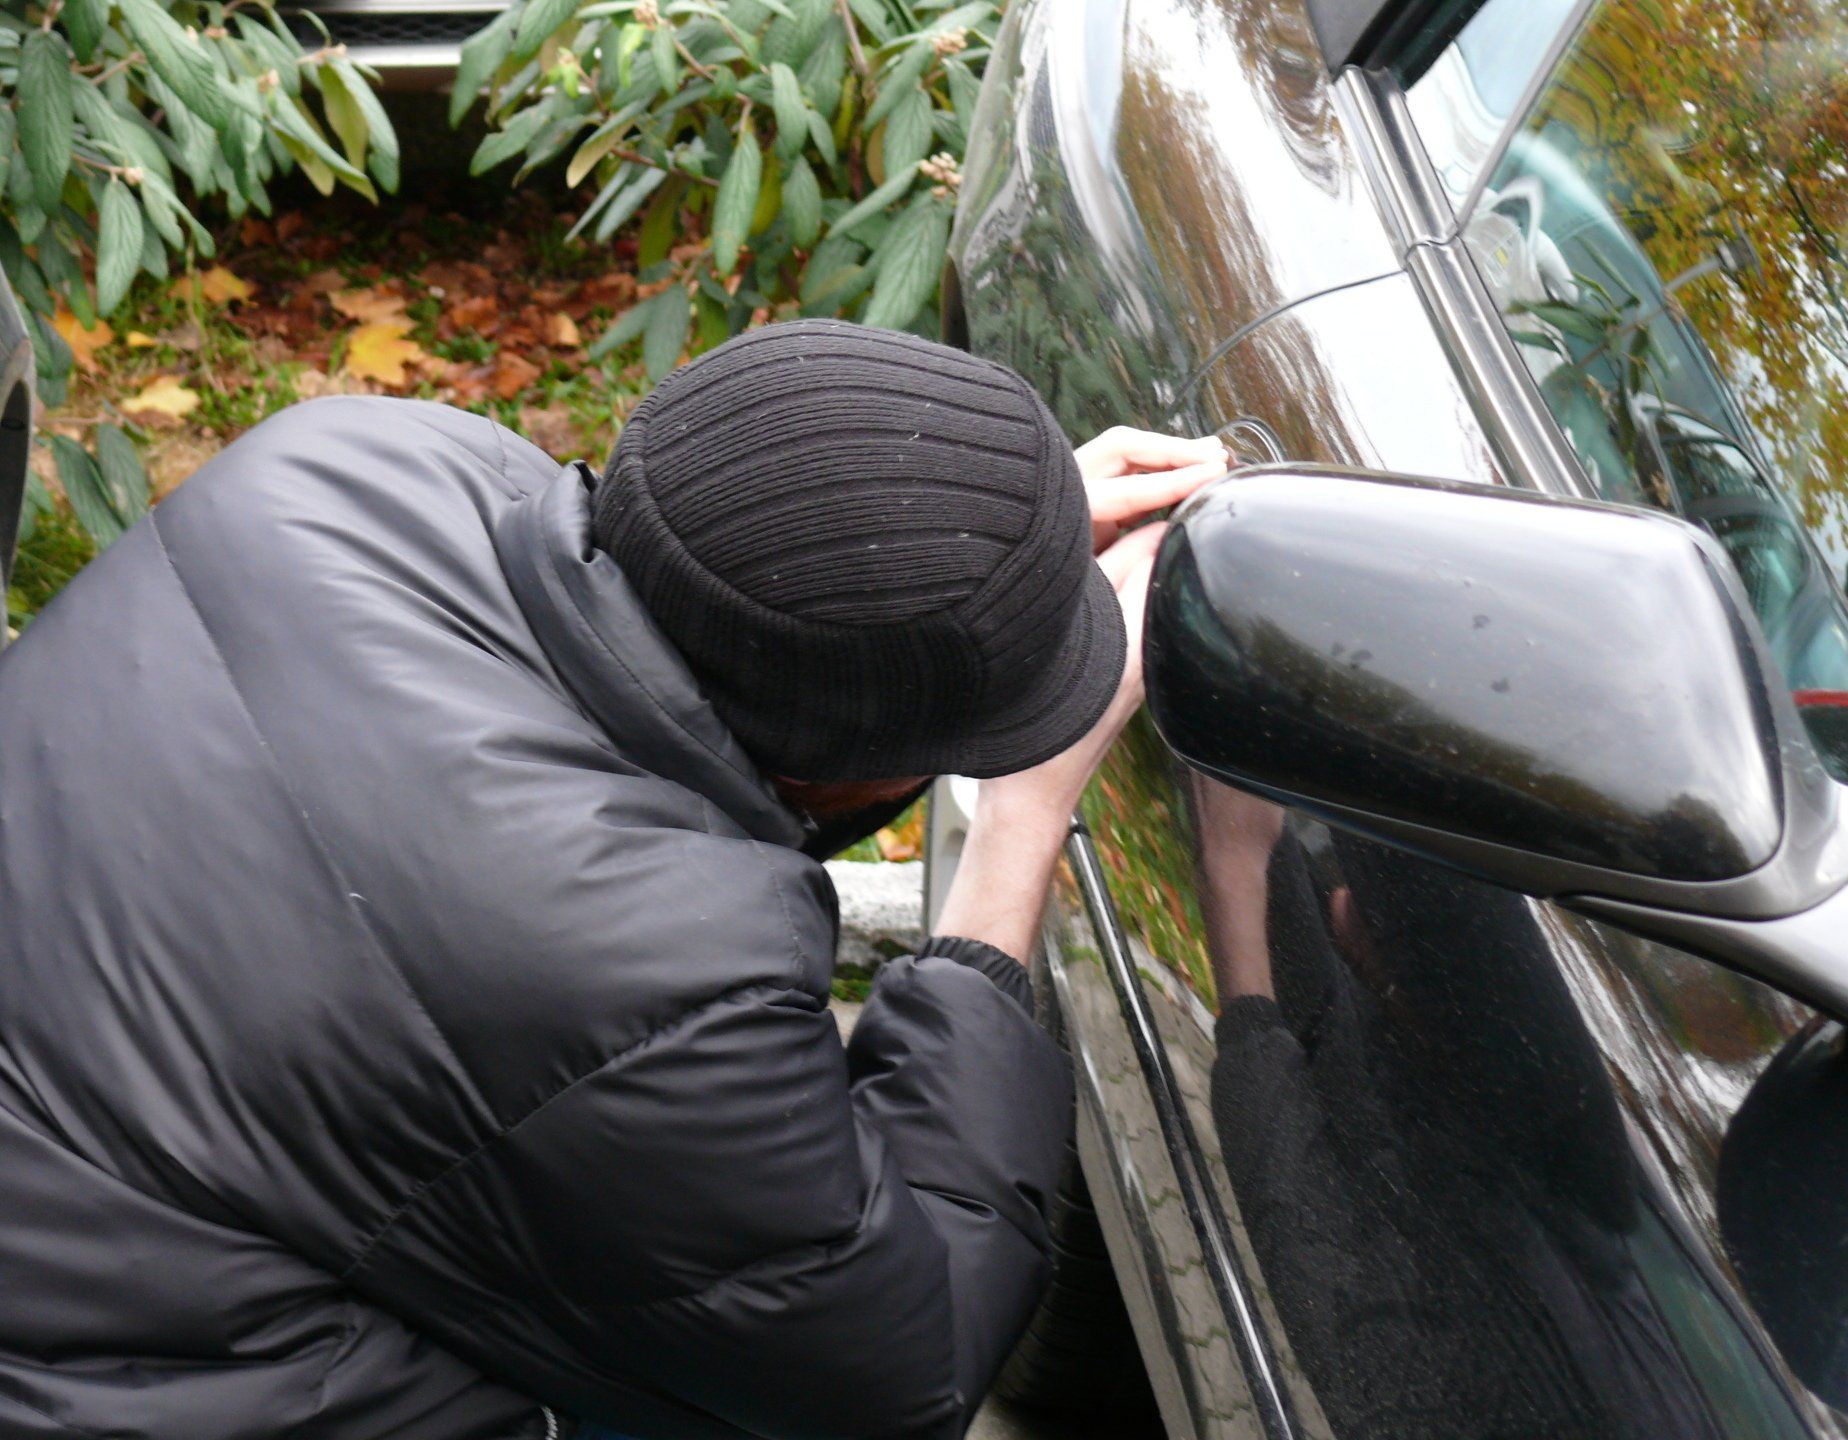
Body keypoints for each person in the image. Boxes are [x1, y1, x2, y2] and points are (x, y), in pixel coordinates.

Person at [0, 318, 1227, 1438]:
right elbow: (896, 1379)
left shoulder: (355, 458)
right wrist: (1021, 820)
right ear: (853, 770)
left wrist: (973, 546)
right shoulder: (657, 982)